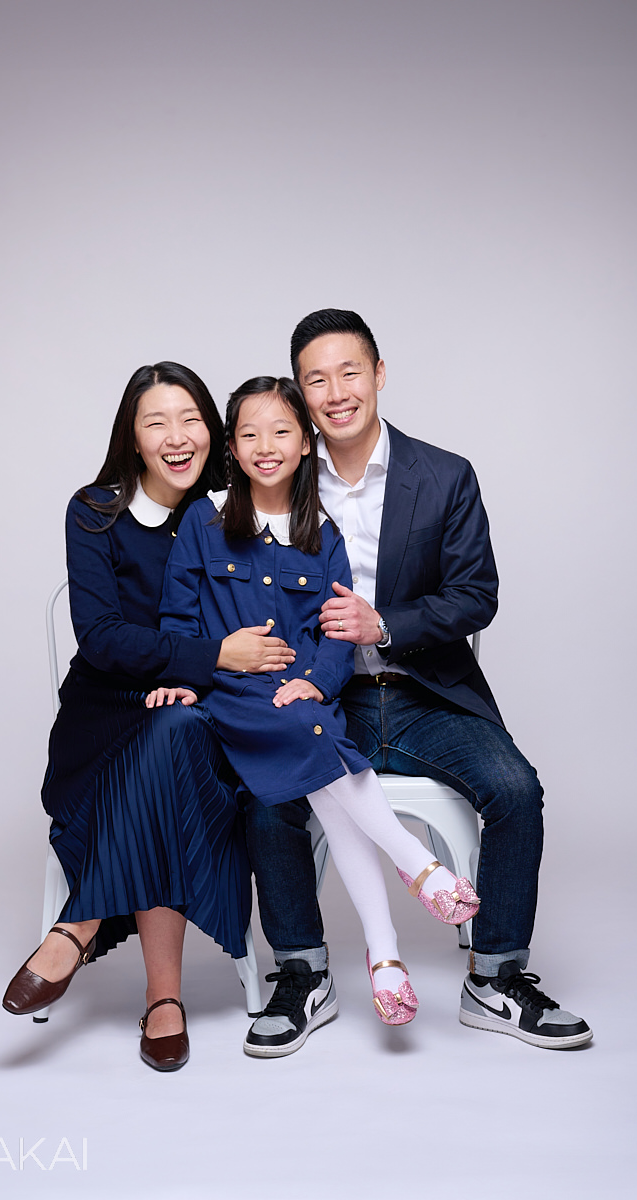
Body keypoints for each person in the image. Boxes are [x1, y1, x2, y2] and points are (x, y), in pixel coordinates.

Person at [242, 309, 593, 1054]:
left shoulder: (444, 475)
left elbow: (477, 595)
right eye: (316, 379)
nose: (336, 392)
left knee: (515, 790)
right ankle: (303, 973)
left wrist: (385, 624)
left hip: (428, 691)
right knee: (267, 795)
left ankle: (495, 977)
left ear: (379, 374)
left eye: (350, 372)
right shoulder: (282, 476)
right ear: (300, 395)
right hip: (327, 699)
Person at [146, 375, 481, 1056]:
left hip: (302, 707)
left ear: (306, 444)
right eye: (248, 434)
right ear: (232, 450)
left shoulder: (321, 535)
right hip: (229, 703)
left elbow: (336, 637)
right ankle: (414, 870)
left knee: (315, 742)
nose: (265, 447)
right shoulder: (202, 528)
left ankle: (386, 956)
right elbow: (177, 626)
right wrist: (190, 676)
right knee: (317, 739)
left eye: (281, 432)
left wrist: (320, 685)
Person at [2, 362, 295, 1072]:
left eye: (190, 418)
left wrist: (206, 674)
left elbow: (269, 622)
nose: (176, 436)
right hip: (105, 721)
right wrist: (211, 655)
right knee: (167, 752)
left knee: (177, 738)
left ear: (214, 433)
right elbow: (102, 638)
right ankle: (163, 999)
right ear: (131, 439)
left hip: (207, 716)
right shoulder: (94, 511)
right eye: (155, 422)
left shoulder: (236, 512)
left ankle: (77, 926)